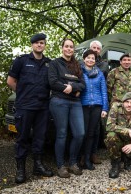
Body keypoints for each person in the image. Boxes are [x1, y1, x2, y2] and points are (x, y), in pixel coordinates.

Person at [7, 33, 53, 184]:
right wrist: (22, 94)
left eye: (42, 43)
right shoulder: (22, 61)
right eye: (37, 43)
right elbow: (11, 81)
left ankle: (38, 166)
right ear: (32, 45)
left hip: (42, 107)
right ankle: (21, 169)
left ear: (44, 45)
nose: (40, 45)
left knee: (40, 137)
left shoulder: (49, 63)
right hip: (25, 106)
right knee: (23, 138)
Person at [48, 38, 85, 178]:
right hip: (59, 101)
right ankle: (61, 165)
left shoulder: (77, 65)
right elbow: (53, 82)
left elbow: (82, 84)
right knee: (62, 134)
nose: (69, 49)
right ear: (62, 48)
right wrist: (67, 87)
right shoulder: (54, 63)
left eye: (71, 47)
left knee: (80, 133)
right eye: (66, 46)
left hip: (75, 103)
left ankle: (73, 162)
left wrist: (73, 86)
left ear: (73, 50)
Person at [105, 92, 131, 178]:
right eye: (127, 102)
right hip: (118, 140)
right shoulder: (116, 108)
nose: (129, 105)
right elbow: (109, 126)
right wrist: (127, 130)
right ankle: (115, 163)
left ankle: (128, 159)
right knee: (111, 136)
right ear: (123, 102)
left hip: (130, 141)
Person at [80, 49, 109, 170]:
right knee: (83, 133)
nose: (90, 60)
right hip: (83, 106)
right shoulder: (79, 72)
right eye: (88, 58)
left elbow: (104, 91)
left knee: (91, 134)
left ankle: (87, 160)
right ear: (84, 59)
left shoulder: (100, 73)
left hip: (97, 106)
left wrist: (105, 108)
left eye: (93, 58)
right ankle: (80, 158)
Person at [89, 40, 109, 164]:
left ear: (100, 51)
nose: (96, 50)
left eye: (98, 48)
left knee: (96, 129)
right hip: (85, 100)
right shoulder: (81, 62)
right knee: (85, 129)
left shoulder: (104, 65)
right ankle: (84, 154)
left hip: (98, 100)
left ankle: (94, 153)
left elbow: (102, 83)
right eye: (93, 48)